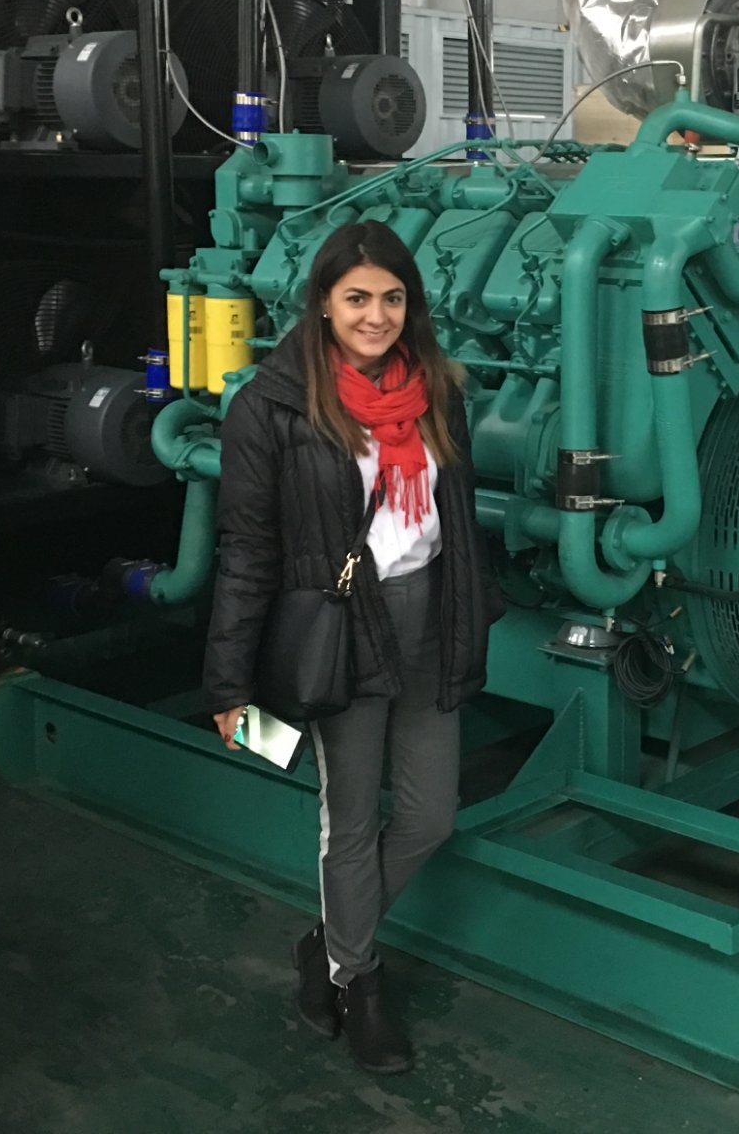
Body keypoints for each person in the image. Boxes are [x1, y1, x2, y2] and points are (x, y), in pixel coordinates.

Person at [203, 219, 504, 1075]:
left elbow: (457, 519)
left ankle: (328, 942)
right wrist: (227, 684)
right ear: (324, 304)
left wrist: (476, 610)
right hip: (343, 628)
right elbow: (247, 550)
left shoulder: (436, 391)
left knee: (431, 817)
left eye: (393, 299)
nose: (377, 316)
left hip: (431, 617)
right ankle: (357, 984)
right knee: (352, 820)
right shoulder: (272, 408)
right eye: (358, 298)